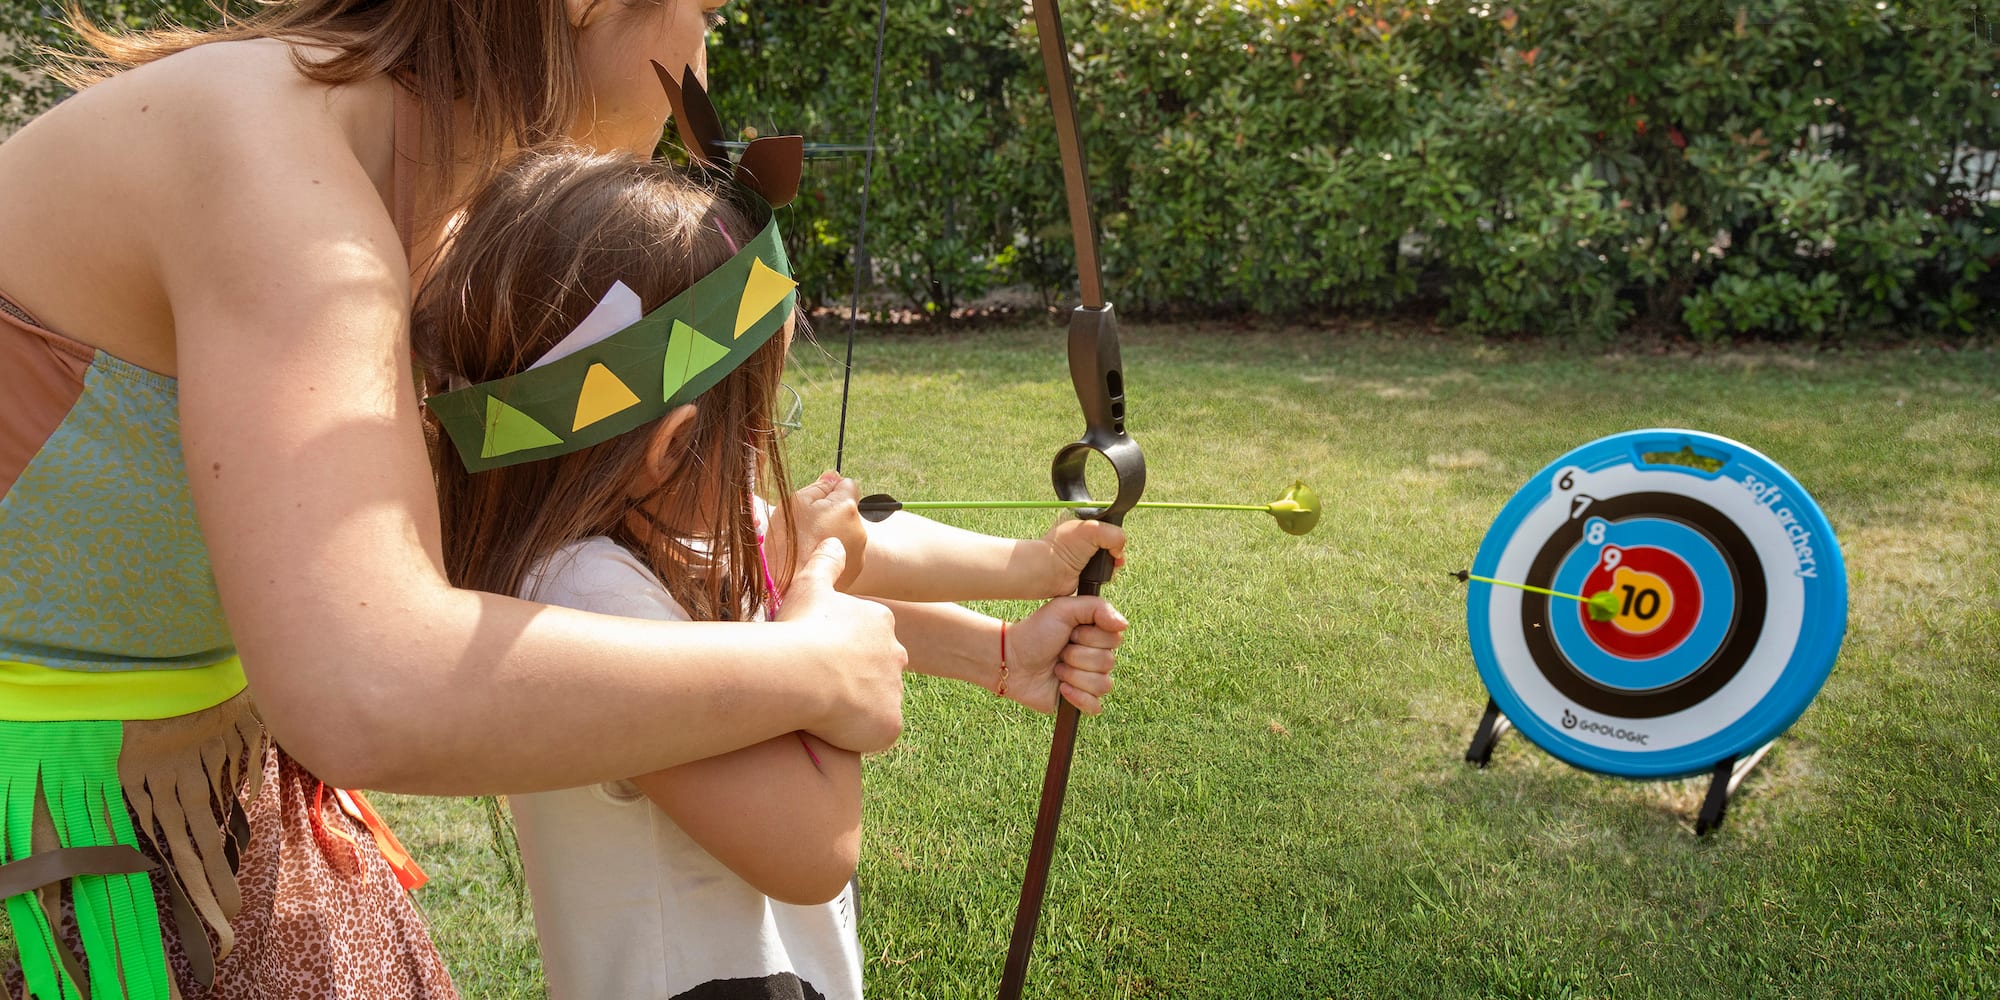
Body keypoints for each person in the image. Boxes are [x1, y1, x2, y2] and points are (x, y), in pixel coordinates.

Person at [0, 1, 1126, 996]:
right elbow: (366, 679)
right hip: (50, 844)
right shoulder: (271, 169)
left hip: (203, 798)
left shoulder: (442, 223)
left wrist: (981, 645)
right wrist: (814, 663)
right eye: (708, 7)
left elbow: (707, 543)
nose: (707, 37)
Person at [412, 141, 1127, 999]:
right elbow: (810, 847)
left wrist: (1022, 602)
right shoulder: (593, 601)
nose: (771, 446)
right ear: (674, 445)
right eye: (765, 411)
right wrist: (819, 611)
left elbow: (816, 554)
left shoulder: (637, 520)